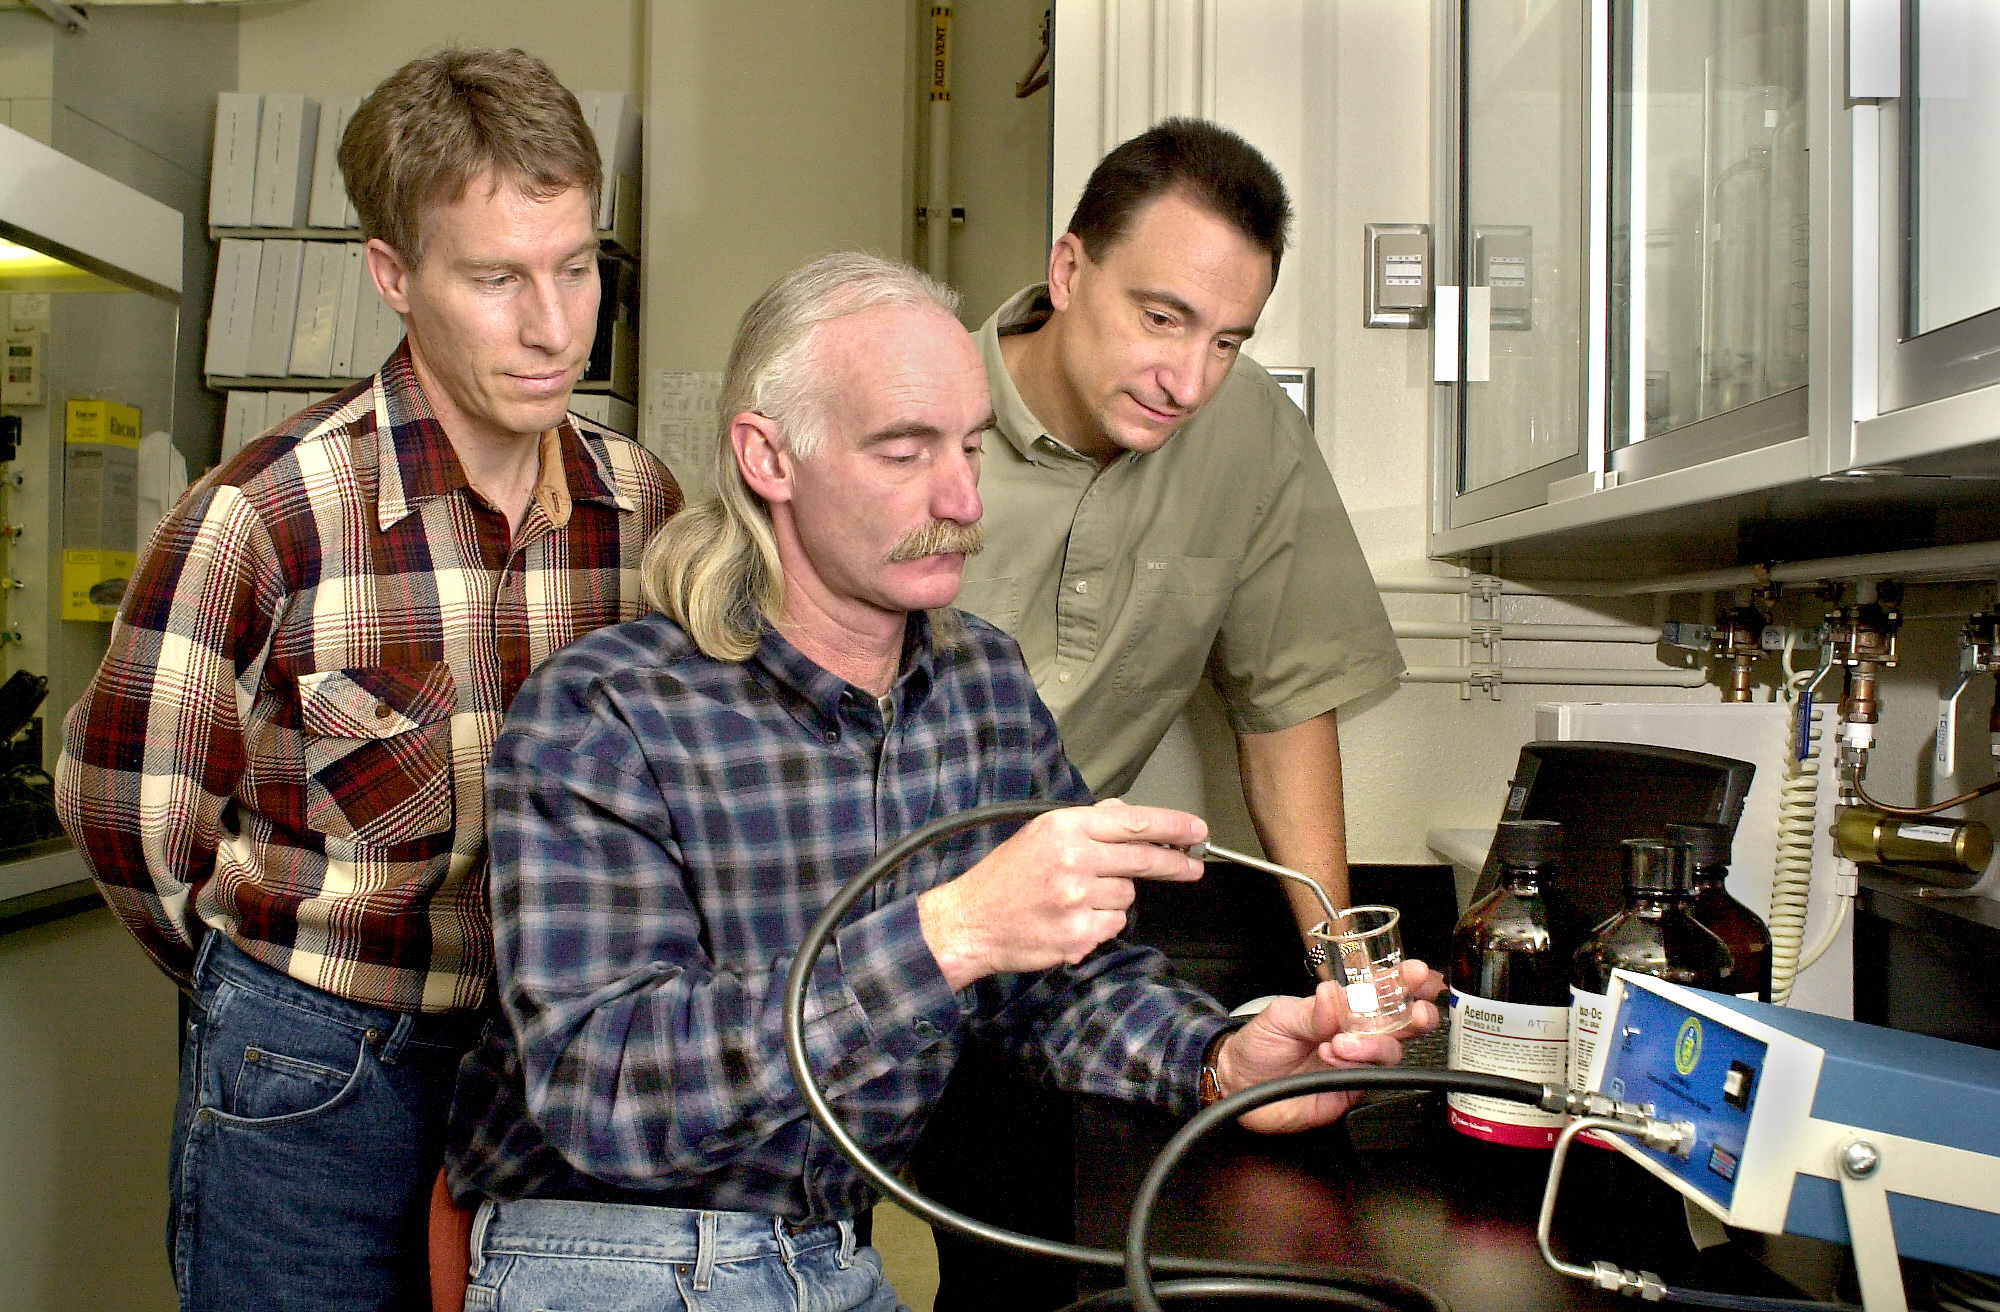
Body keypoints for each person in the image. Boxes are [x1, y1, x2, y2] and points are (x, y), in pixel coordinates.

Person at [439, 252, 1442, 1312]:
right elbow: (606, 1091)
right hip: (608, 1253)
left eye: (966, 445)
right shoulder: (604, 710)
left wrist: (1222, 1057)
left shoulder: (980, 686)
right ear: (767, 457)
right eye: (904, 451)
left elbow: (1061, 982)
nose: (962, 497)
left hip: (828, 1249)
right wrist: (950, 931)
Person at [53, 48, 679, 1312]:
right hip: (318, 1077)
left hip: (554, 1074)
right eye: (496, 278)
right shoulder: (265, 513)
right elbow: (121, 808)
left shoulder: (645, 508)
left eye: (575, 269)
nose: (553, 325)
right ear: (393, 274)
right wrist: (268, 986)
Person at [923, 117, 1406, 1309]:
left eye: (1228, 339)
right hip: (859, 919)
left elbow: (1283, 700)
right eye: (1161, 317)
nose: (1188, 379)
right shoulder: (921, 410)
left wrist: (1341, 977)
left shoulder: (1244, 438)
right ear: (1067, 270)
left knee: (1026, 1275)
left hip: (1051, 964)